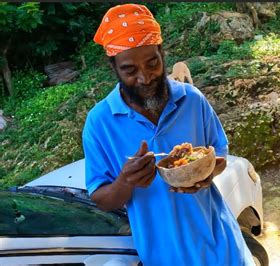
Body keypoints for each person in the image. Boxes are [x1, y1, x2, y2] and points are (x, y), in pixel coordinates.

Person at [82, 4, 254, 265]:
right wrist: (126, 181)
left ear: (162, 53)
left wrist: (208, 172)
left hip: (224, 249)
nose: (145, 77)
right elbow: (102, 199)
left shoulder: (192, 101)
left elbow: (219, 155)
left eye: (152, 63)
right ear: (114, 68)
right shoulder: (100, 123)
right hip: (165, 258)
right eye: (130, 70)